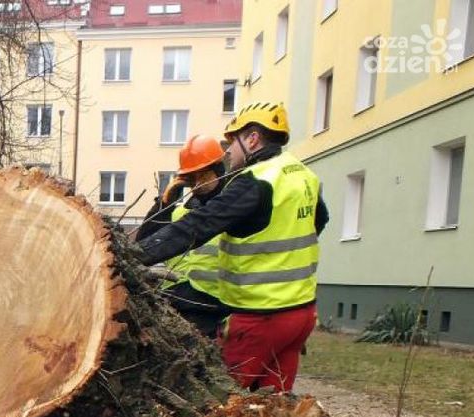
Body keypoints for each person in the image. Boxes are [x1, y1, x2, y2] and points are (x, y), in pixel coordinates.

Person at [136, 102, 329, 392]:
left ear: (252, 139)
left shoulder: (255, 181)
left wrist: (134, 257)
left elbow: (198, 225)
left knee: (221, 402)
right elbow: (319, 222)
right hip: (301, 314)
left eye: (232, 142)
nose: (228, 152)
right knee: (272, 406)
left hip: (261, 315)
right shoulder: (302, 175)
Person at [135, 134, 230, 338]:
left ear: (218, 172)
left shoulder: (231, 210)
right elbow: (141, 244)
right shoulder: (181, 213)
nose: (197, 184)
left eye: (202, 176)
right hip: (177, 305)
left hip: (215, 309)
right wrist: (164, 203)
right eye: (192, 177)